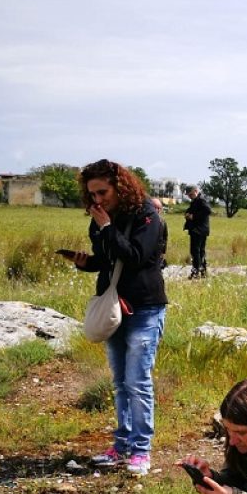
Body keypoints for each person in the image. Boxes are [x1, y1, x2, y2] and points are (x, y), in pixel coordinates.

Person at [68, 159, 167, 476]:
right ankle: (121, 444)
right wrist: (87, 263)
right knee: (121, 383)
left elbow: (135, 257)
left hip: (144, 308)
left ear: (120, 186)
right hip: (115, 309)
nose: (97, 199)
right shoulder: (100, 218)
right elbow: (108, 259)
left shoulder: (147, 215)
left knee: (137, 382)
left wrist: (108, 228)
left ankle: (141, 450)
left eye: (103, 192)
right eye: (92, 194)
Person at [183, 185, 211, 279]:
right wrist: (187, 213)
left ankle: (196, 272)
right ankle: (203, 271)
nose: (189, 196)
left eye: (191, 194)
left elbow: (208, 210)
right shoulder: (196, 201)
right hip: (199, 229)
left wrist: (193, 216)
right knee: (200, 251)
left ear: (196, 191)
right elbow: (192, 210)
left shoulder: (201, 200)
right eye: (188, 195)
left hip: (199, 229)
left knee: (195, 251)